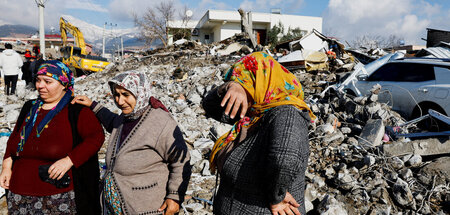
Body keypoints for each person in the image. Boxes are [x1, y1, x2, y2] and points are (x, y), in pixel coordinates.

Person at [202, 52, 316, 215]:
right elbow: (209, 106)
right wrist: (231, 87)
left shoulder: (286, 113)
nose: (237, 94)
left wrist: (276, 197)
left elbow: (285, 159)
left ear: (262, 83)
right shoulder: (254, 114)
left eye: (245, 82)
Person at [72, 71, 191, 215]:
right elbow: (113, 123)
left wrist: (174, 197)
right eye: (116, 95)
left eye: (126, 95)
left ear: (140, 92)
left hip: (145, 208)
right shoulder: (127, 117)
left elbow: (180, 160)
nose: (120, 101)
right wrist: (93, 105)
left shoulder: (160, 122)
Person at [0, 60, 105, 214]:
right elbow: (15, 138)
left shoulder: (76, 110)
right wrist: (7, 166)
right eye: (38, 80)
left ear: (63, 84)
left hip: (57, 197)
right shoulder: (30, 107)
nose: (40, 86)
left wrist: (69, 160)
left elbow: (96, 137)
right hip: (19, 193)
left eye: (47, 81)